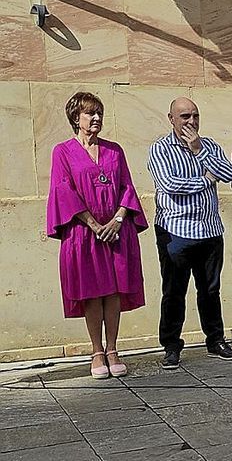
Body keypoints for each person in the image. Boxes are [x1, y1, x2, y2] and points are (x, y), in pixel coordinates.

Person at [47, 92, 149, 379]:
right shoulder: (62, 152)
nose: (96, 118)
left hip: (117, 231)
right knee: (92, 291)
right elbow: (63, 191)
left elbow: (127, 187)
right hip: (83, 233)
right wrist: (94, 225)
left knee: (114, 290)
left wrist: (117, 219)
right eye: (90, 113)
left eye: (99, 113)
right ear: (75, 118)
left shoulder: (115, 150)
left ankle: (114, 348)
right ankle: (96, 351)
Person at [147, 97, 232, 369]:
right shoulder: (160, 149)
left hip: (210, 229)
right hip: (175, 231)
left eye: (195, 116)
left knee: (210, 289)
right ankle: (171, 346)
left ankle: (215, 340)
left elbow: (227, 174)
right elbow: (170, 185)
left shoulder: (208, 145)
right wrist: (205, 180)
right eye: (185, 116)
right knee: (174, 291)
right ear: (171, 118)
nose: (191, 122)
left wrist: (199, 150)